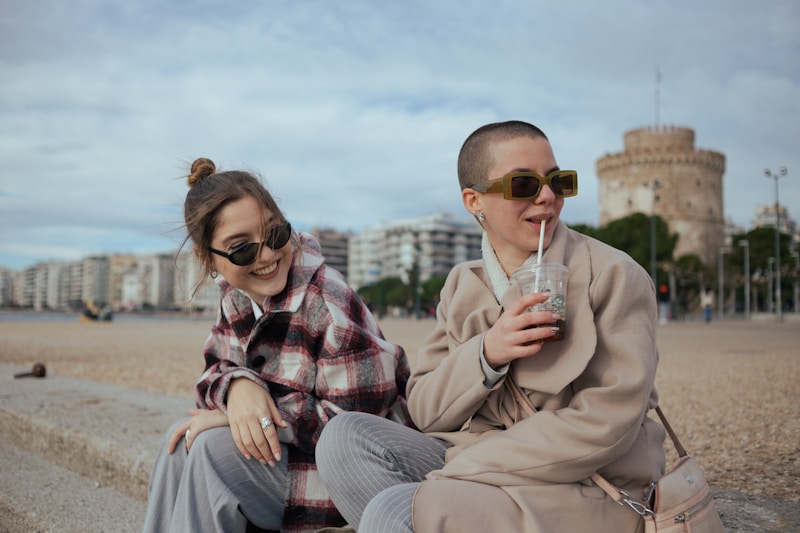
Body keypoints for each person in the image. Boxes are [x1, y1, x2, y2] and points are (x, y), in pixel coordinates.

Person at [316, 120, 667, 532]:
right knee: (344, 437)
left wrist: (462, 470)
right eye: (524, 185)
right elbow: (426, 410)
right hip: (483, 463)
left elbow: (607, 426)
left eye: (558, 181)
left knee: (394, 511)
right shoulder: (463, 283)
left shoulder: (612, 275)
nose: (548, 196)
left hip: (587, 484)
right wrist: (487, 353)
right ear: (473, 200)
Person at [143, 158, 412, 533]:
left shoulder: (326, 301)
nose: (267, 256)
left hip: (361, 477)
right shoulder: (235, 296)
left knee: (211, 450)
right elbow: (212, 371)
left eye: (275, 234)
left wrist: (260, 416)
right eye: (242, 249)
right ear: (209, 260)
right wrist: (238, 389)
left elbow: (358, 427)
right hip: (298, 458)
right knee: (181, 442)